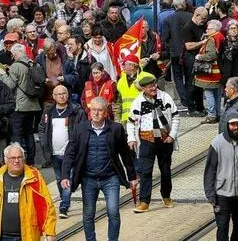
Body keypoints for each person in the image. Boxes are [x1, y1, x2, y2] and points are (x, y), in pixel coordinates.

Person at [61, 97, 137, 241]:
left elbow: (125, 154)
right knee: (88, 215)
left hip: (110, 178)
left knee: (113, 212)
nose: (95, 113)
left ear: (106, 112)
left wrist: (132, 177)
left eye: (99, 110)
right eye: (93, 110)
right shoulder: (80, 129)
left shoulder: (116, 129)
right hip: (88, 179)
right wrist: (65, 175)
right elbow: (70, 153)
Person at [0, 143, 56, 241]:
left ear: (24, 158)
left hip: (27, 236)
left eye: (19, 157)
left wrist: (50, 232)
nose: (16, 161)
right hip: (0, 236)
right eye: (13, 158)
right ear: (5, 160)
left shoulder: (34, 177)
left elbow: (48, 206)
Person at [126, 71, 179, 212]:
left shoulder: (165, 97)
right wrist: (131, 138)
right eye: (150, 86)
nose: (153, 88)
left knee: (165, 170)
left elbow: (175, 117)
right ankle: (144, 201)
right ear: (143, 88)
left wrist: (172, 135)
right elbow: (130, 122)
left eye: (154, 85)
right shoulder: (138, 102)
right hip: (147, 140)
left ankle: (166, 195)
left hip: (165, 140)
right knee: (145, 171)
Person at [203, 110, 238, 241]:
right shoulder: (217, 143)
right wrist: (210, 194)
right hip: (222, 195)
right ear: (227, 125)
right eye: (233, 124)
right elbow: (210, 170)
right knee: (222, 227)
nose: (236, 127)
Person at [37, 84, 83, 218]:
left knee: (67, 178)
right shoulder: (48, 111)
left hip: (70, 153)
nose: (61, 96)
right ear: (53, 96)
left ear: (68, 95)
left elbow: (82, 129)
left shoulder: (76, 111)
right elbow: (42, 128)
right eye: (58, 94)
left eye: (64, 93)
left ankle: (64, 205)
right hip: (54, 152)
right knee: (59, 178)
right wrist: (44, 143)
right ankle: (64, 199)